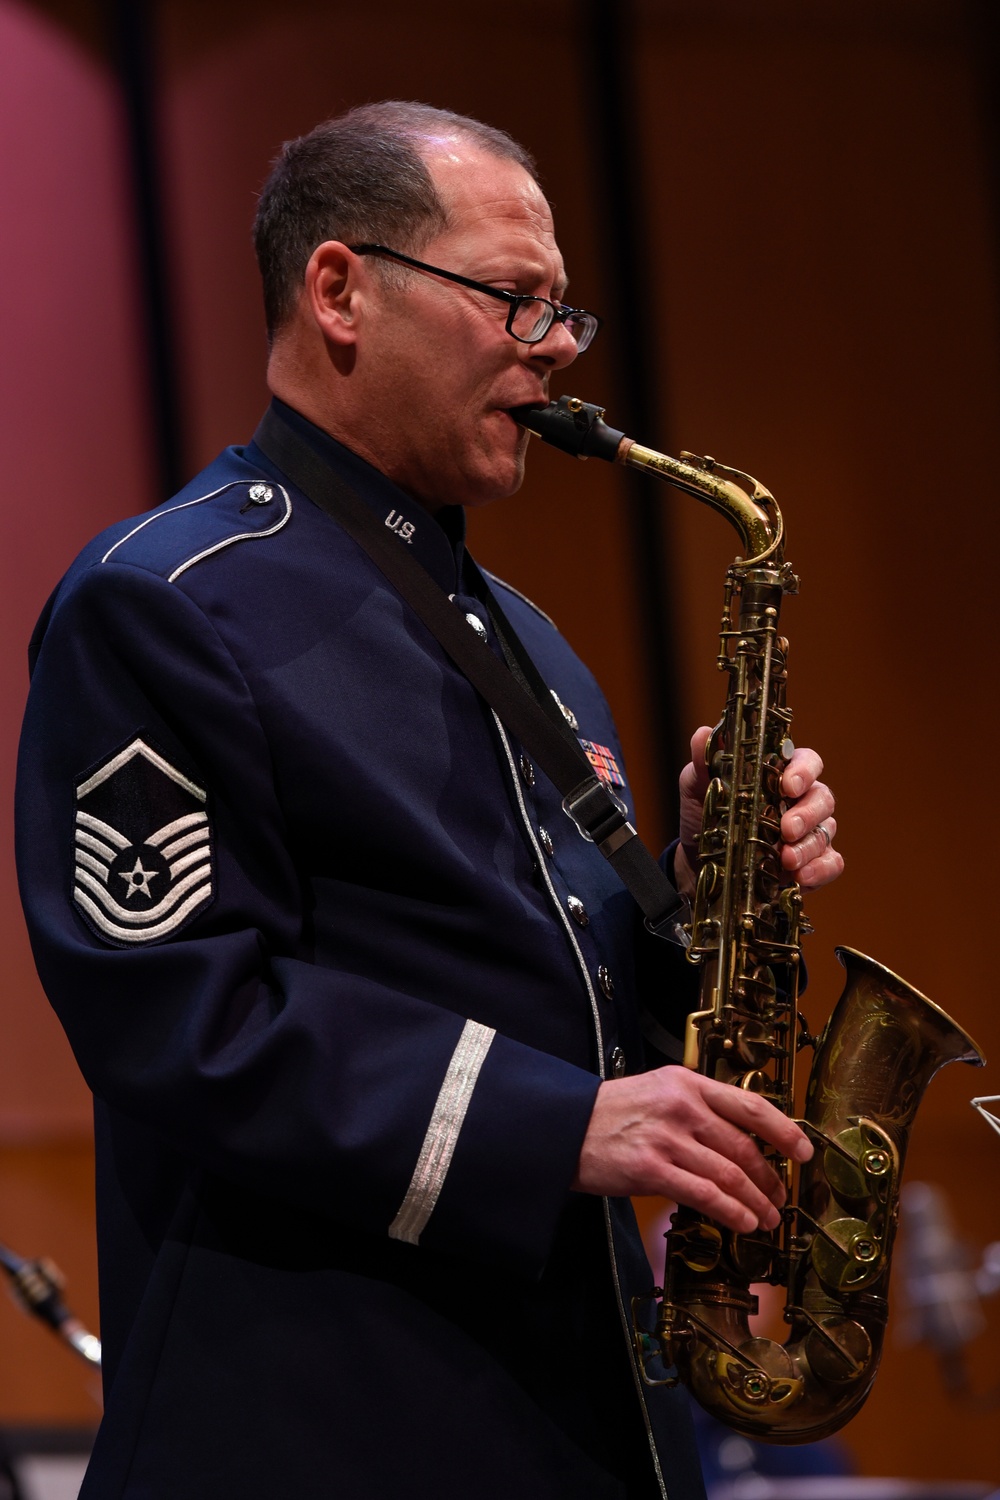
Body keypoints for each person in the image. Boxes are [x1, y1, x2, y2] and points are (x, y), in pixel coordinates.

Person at [15, 103, 841, 1500]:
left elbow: (569, 1010)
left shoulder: (524, 633)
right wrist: (559, 1125)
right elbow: (178, 1010)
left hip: (573, 1412)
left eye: (563, 308)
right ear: (339, 290)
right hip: (323, 1421)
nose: (558, 346)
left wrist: (709, 889)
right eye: (513, 299)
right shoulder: (162, 601)